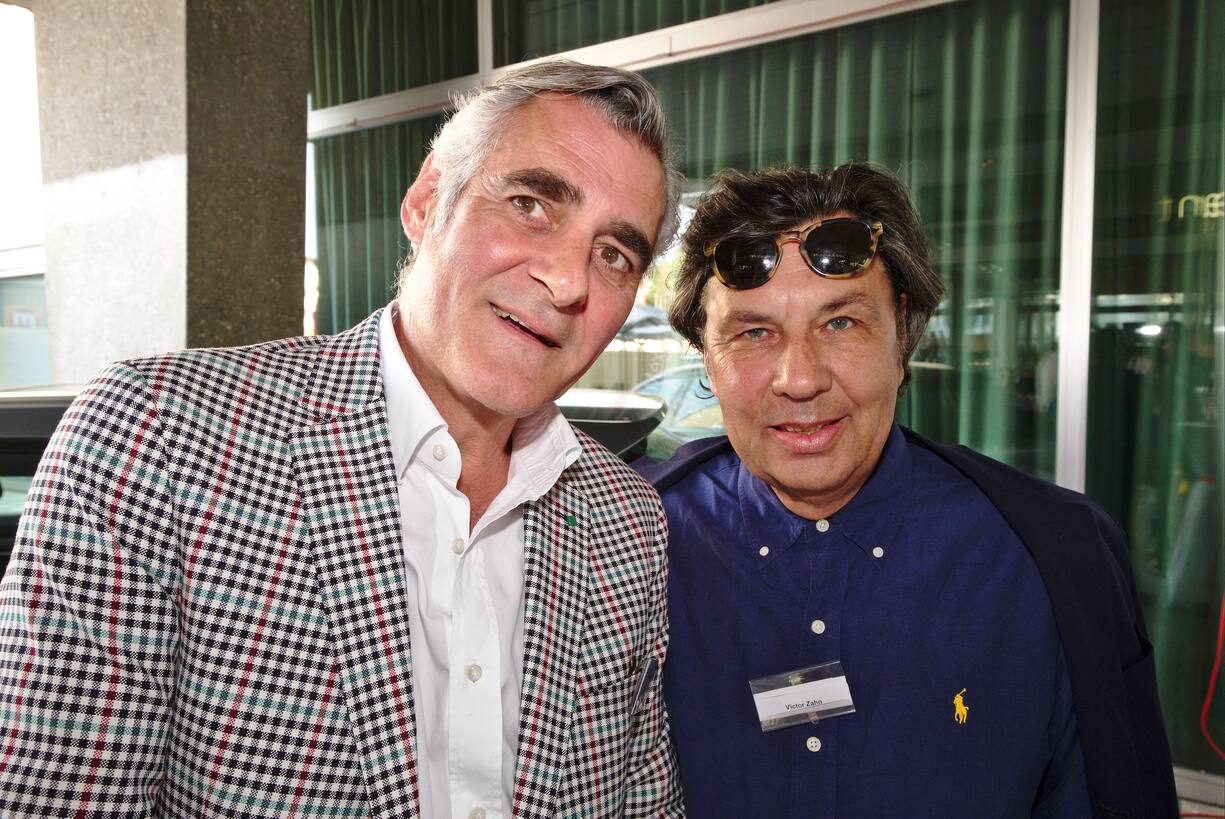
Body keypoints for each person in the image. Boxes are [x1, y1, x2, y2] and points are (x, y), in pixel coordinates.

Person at [0, 60, 683, 818]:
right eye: (530, 205)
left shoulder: (628, 520)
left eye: (614, 255)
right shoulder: (158, 435)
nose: (568, 280)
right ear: (427, 200)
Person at [636, 165, 1178, 817]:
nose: (799, 379)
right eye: (754, 333)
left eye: (840, 323)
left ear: (904, 336)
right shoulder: (630, 544)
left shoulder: (1054, 557)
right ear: (706, 356)